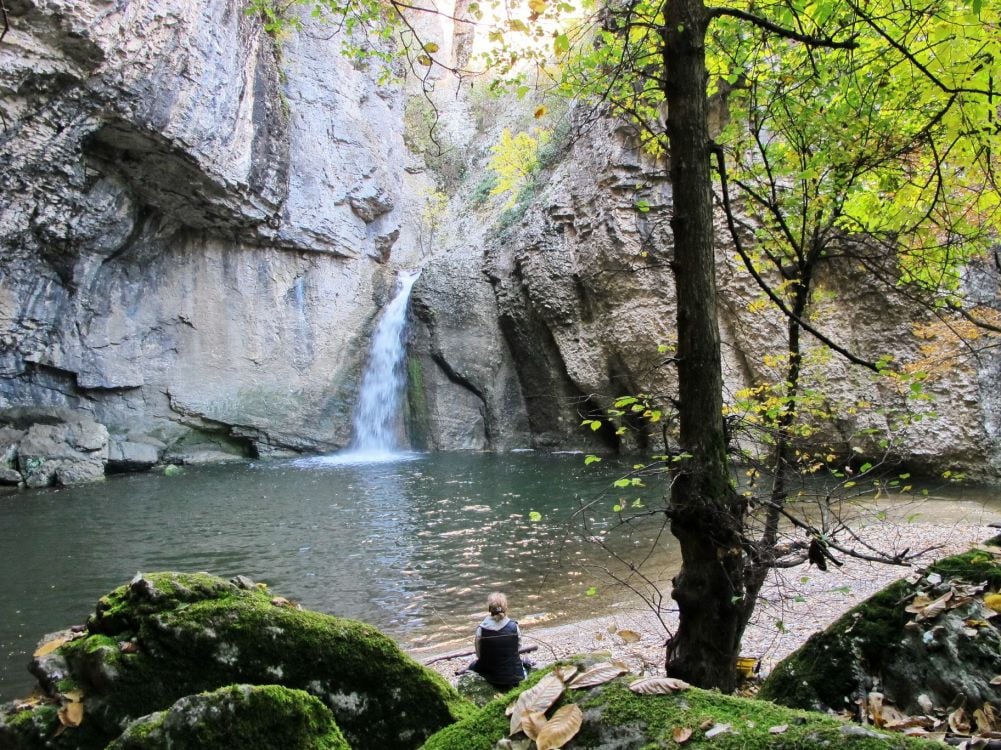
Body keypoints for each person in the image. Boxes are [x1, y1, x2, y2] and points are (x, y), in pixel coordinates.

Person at [468, 592, 526, 690]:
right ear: (505, 608)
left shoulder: (481, 629)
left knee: (472, 666)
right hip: (515, 675)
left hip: (492, 676)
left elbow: (479, 654)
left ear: (489, 609)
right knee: (522, 661)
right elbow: (518, 647)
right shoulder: (514, 626)